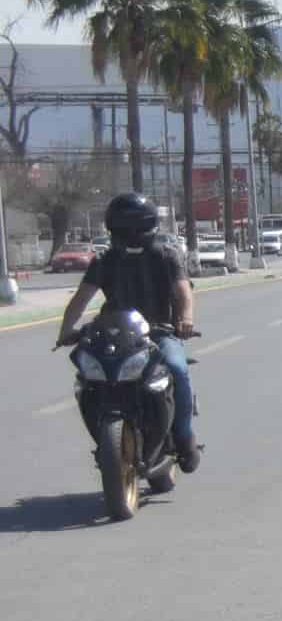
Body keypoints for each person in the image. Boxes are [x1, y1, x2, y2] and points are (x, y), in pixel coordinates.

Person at [55, 193, 200, 471]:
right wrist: (66, 331)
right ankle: (104, 431)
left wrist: (185, 319)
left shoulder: (166, 255)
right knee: (87, 376)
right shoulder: (105, 260)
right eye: (124, 227)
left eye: (134, 226)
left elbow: (183, 291)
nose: (130, 233)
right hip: (115, 335)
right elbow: (81, 298)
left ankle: (183, 436)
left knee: (178, 369)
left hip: (159, 334)